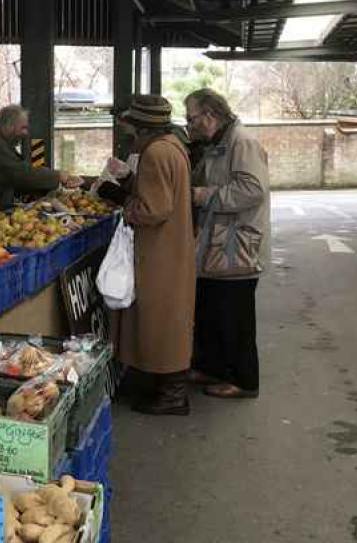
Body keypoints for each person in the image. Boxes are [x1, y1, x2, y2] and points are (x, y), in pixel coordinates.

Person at [107, 95, 196, 416]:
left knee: (161, 320)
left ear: (141, 125)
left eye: (130, 122)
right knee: (168, 317)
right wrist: (131, 182)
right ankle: (165, 386)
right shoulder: (173, 145)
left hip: (159, 250)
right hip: (172, 247)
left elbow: (154, 209)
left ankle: (173, 395)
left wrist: (125, 206)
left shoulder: (155, 153)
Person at [186, 88, 271, 399]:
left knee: (235, 316)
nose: (189, 124)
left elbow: (252, 189)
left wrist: (203, 195)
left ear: (210, 115)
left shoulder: (242, 142)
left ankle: (244, 380)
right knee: (211, 310)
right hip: (216, 243)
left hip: (237, 243)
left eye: (192, 117)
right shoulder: (217, 143)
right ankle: (212, 367)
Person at [0, 105, 82, 211]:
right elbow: (19, 173)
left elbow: (16, 173)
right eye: (23, 128)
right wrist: (57, 176)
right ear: (8, 126)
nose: (26, 133)